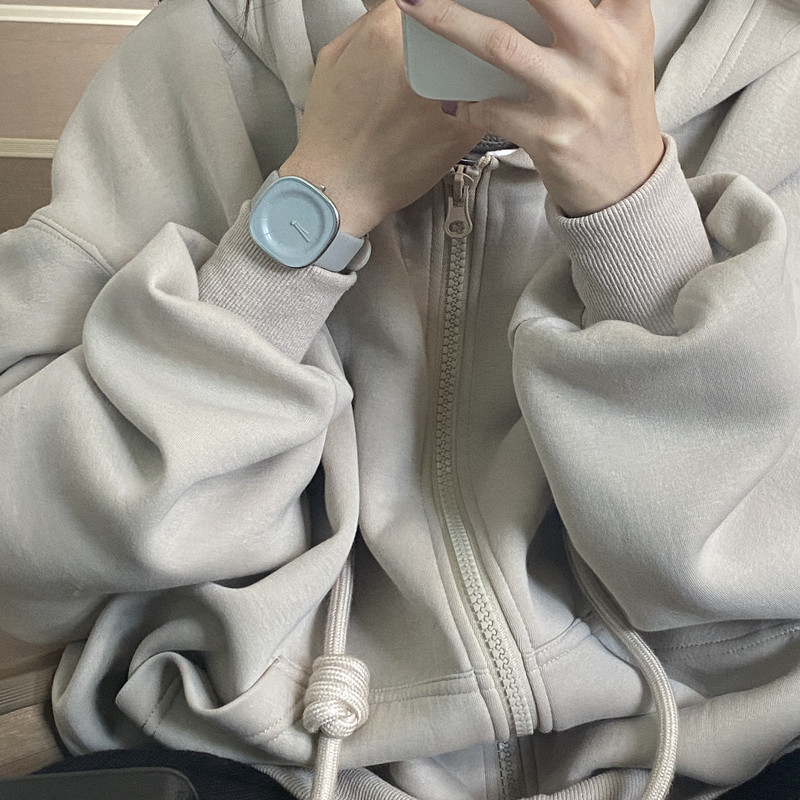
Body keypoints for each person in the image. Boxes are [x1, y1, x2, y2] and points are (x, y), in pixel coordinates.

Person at [1, 0, 798, 797]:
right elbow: (27, 544)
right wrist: (314, 203)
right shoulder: (201, 49)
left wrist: (634, 218)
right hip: (264, 754)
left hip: (721, 753)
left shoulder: (779, 76)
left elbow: (762, 565)